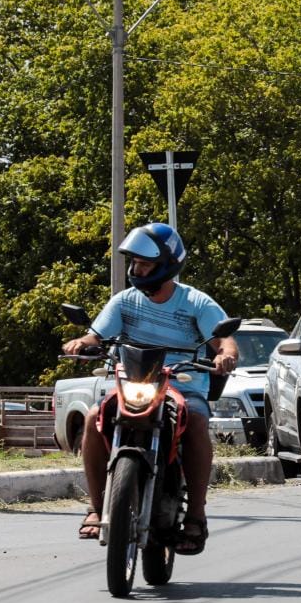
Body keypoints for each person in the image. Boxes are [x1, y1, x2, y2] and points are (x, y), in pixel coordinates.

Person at [63, 222, 237, 555]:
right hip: (135, 382)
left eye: (145, 263)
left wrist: (226, 356)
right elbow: (95, 336)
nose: (137, 269)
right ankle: (96, 507)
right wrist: (81, 343)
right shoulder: (124, 302)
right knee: (93, 417)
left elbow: (224, 341)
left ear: (167, 264)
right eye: (135, 263)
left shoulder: (196, 302)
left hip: (183, 385)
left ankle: (196, 517)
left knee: (197, 422)